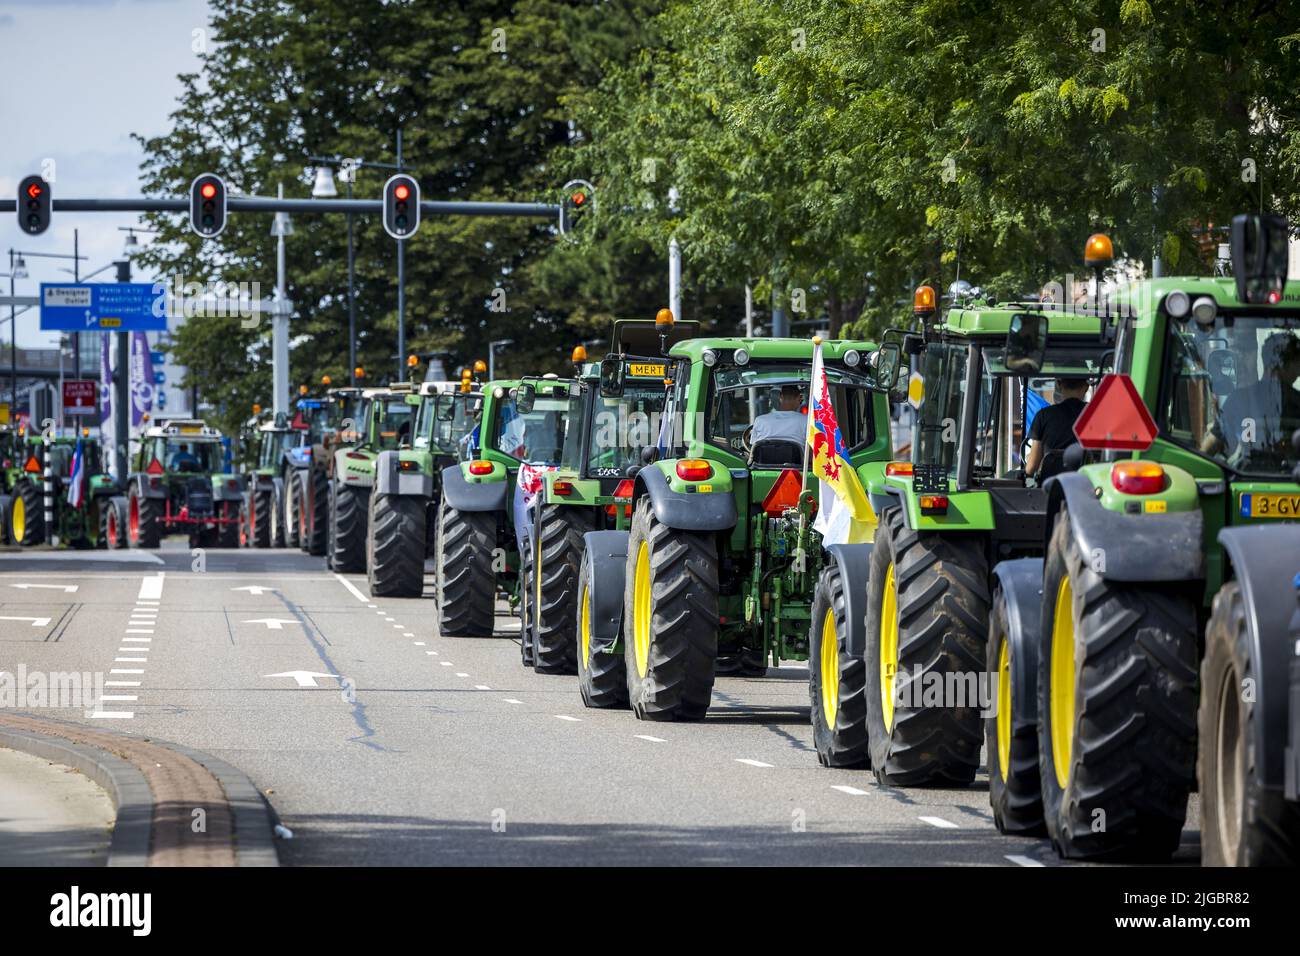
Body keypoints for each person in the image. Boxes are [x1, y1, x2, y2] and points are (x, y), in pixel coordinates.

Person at [1211, 332, 1300, 460]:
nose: (1298, 372)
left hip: (1242, 476)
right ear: (1280, 363)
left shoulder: (1237, 399)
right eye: (1297, 364)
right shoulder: (1297, 402)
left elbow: (1209, 446)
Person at [1025, 377, 1089, 481]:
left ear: (1059, 384)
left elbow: (1031, 468)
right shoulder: (1097, 414)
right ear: (1086, 387)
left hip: (1051, 488)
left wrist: (1028, 461)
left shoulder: (1043, 415)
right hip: (1088, 486)